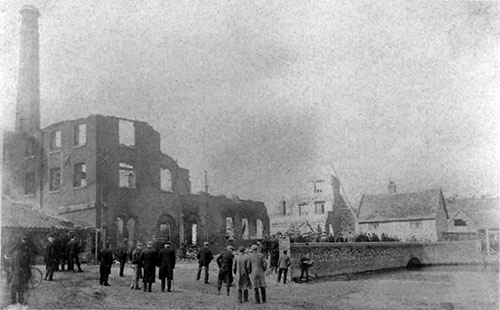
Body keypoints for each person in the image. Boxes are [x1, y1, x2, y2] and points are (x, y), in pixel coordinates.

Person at [9, 235, 31, 305]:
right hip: (22, 272)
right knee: (20, 288)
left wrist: (12, 272)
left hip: (16, 272)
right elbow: (27, 265)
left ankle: (13, 302)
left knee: (13, 287)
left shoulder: (15, 254)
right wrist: (29, 274)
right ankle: (20, 302)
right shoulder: (26, 254)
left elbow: (12, 265)